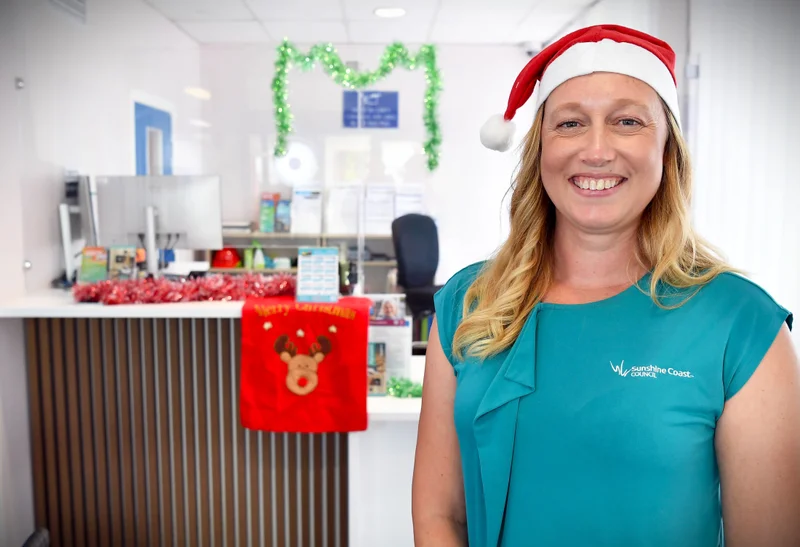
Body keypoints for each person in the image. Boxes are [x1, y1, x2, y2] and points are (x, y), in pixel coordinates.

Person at [411, 24, 800, 547]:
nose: (596, 151)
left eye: (627, 121)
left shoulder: (742, 326)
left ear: (667, 149)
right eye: (570, 123)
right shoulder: (468, 305)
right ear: (540, 151)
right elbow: (440, 516)